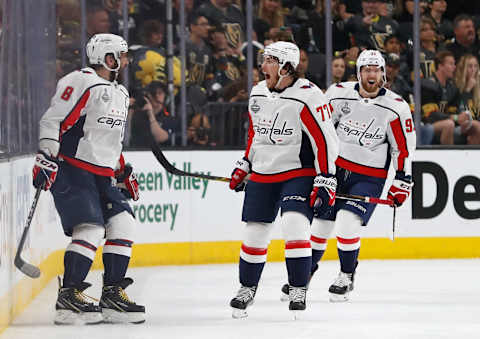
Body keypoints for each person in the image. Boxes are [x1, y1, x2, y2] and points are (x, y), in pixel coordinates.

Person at [280, 50, 416, 302]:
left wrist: (402, 180)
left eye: (376, 69)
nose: (371, 74)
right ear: (358, 73)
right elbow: (321, 130)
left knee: (346, 222)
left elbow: (403, 148)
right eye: (366, 69)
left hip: (368, 177)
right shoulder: (337, 93)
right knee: (320, 225)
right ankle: (305, 274)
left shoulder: (396, 108)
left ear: (384, 73)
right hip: (336, 171)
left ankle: (346, 274)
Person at [32, 33, 145, 325]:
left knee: (124, 223)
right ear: (107, 57)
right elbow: (53, 119)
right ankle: (68, 297)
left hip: (103, 174)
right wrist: (46, 153)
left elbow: (109, 141)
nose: (125, 61)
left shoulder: (119, 92)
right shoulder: (79, 80)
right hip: (73, 167)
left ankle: (112, 295)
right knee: (91, 228)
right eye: (120, 55)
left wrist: (121, 170)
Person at [228, 41, 339, 318]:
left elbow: (325, 141)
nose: (262, 66)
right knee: (255, 231)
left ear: (286, 67)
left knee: (294, 226)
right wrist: (247, 162)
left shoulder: (309, 95)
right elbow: (256, 133)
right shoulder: (257, 93)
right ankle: (247, 288)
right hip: (264, 173)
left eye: (269, 61)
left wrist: (326, 177)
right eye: (264, 60)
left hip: (298, 173)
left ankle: (298, 288)